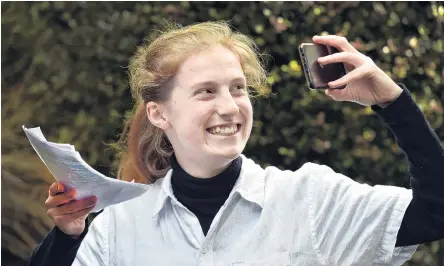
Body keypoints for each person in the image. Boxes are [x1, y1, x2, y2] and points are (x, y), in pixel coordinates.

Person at [28, 21, 444, 266]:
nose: (229, 107)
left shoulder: (310, 199)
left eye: (238, 89)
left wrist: (393, 103)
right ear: (160, 113)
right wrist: (65, 237)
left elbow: (435, 213)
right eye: (206, 92)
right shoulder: (120, 227)